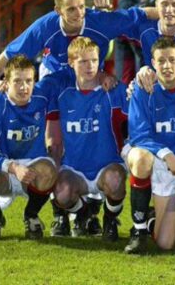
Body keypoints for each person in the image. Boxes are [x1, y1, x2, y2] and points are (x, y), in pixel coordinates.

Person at [0, 0, 142, 108]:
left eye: (81, 6)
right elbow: (8, 55)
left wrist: (165, 16)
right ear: (58, 10)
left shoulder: (98, 20)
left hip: (91, 76)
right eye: (71, 9)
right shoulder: (44, 27)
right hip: (53, 75)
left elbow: (140, 16)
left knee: (114, 99)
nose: (78, 14)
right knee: (50, 125)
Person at [42, 37, 128, 241]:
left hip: (107, 166)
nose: (90, 66)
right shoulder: (61, 94)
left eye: (94, 60)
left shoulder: (114, 90)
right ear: (71, 63)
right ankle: (83, 214)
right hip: (74, 169)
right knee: (61, 194)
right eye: (83, 62)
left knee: (116, 183)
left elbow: (137, 116)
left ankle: (109, 219)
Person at [123, 37, 175, 254]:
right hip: (150, 156)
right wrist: (167, 155)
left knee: (165, 243)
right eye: (161, 61)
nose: (167, 66)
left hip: (174, 170)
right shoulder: (143, 88)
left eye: (172, 60)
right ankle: (138, 232)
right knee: (141, 159)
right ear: (152, 64)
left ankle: (151, 215)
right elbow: (138, 135)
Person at [0, 56, 57, 240]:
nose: (23, 87)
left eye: (28, 81)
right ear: (6, 83)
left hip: (32, 169)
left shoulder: (42, 95)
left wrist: (103, 77)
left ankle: (31, 216)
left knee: (49, 170)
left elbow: (69, 75)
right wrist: (12, 167)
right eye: (17, 81)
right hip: (4, 172)